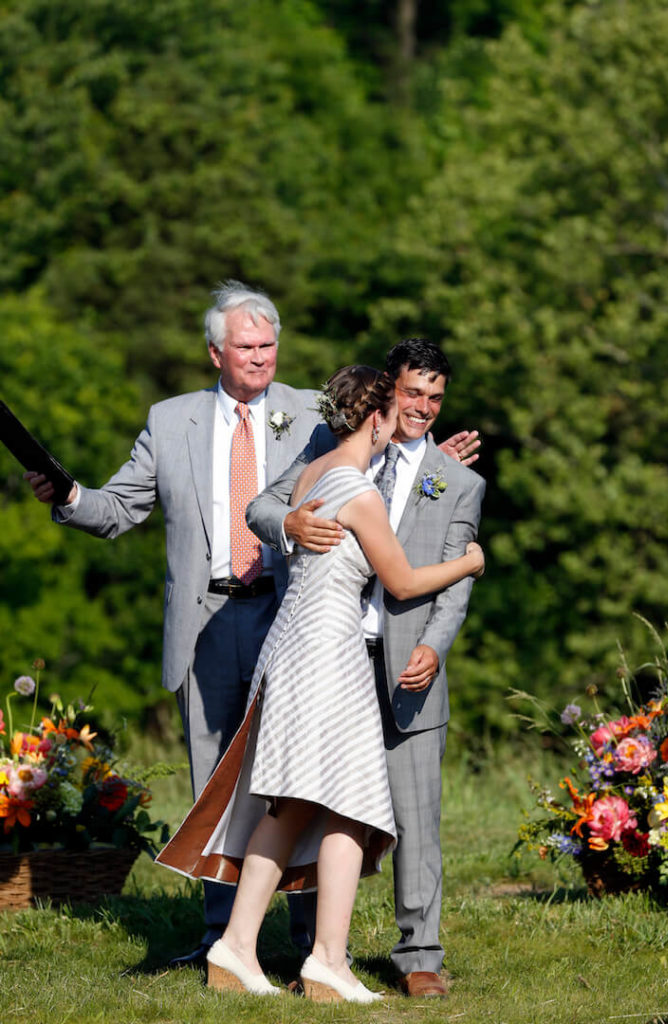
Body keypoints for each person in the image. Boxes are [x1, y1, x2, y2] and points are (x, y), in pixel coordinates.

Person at [156, 365, 484, 1002]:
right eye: (396, 409)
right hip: (330, 654)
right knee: (352, 802)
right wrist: (470, 560)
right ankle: (326, 961)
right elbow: (404, 582)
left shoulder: (317, 471)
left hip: (293, 640)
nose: (407, 418)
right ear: (374, 419)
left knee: (294, 800)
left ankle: (239, 946)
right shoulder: (356, 490)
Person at [23, 279, 324, 967]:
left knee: (303, 776)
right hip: (206, 619)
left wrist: (431, 466)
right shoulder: (171, 420)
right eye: (245, 346)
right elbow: (118, 509)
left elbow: (367, 467)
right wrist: (67, 494)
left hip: (295, 617)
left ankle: (313, 942)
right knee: (215, 781)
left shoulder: (313, 412)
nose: (260, 357)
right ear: (214, 352)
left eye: (268, 344)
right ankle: (221, 938)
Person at [247, 338, 486, 998]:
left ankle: (419, 956)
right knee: (313, 799)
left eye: (436, 398)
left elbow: (450, 573)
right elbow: (262, 505)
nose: (424, 408)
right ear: (388, 391)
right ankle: (315, 950)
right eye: (412, 393)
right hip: (328, 655)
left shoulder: (444, 475)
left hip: (405, 664)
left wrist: (434, 646)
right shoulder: (340, 445)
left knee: (412, 815)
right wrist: (292, 522)